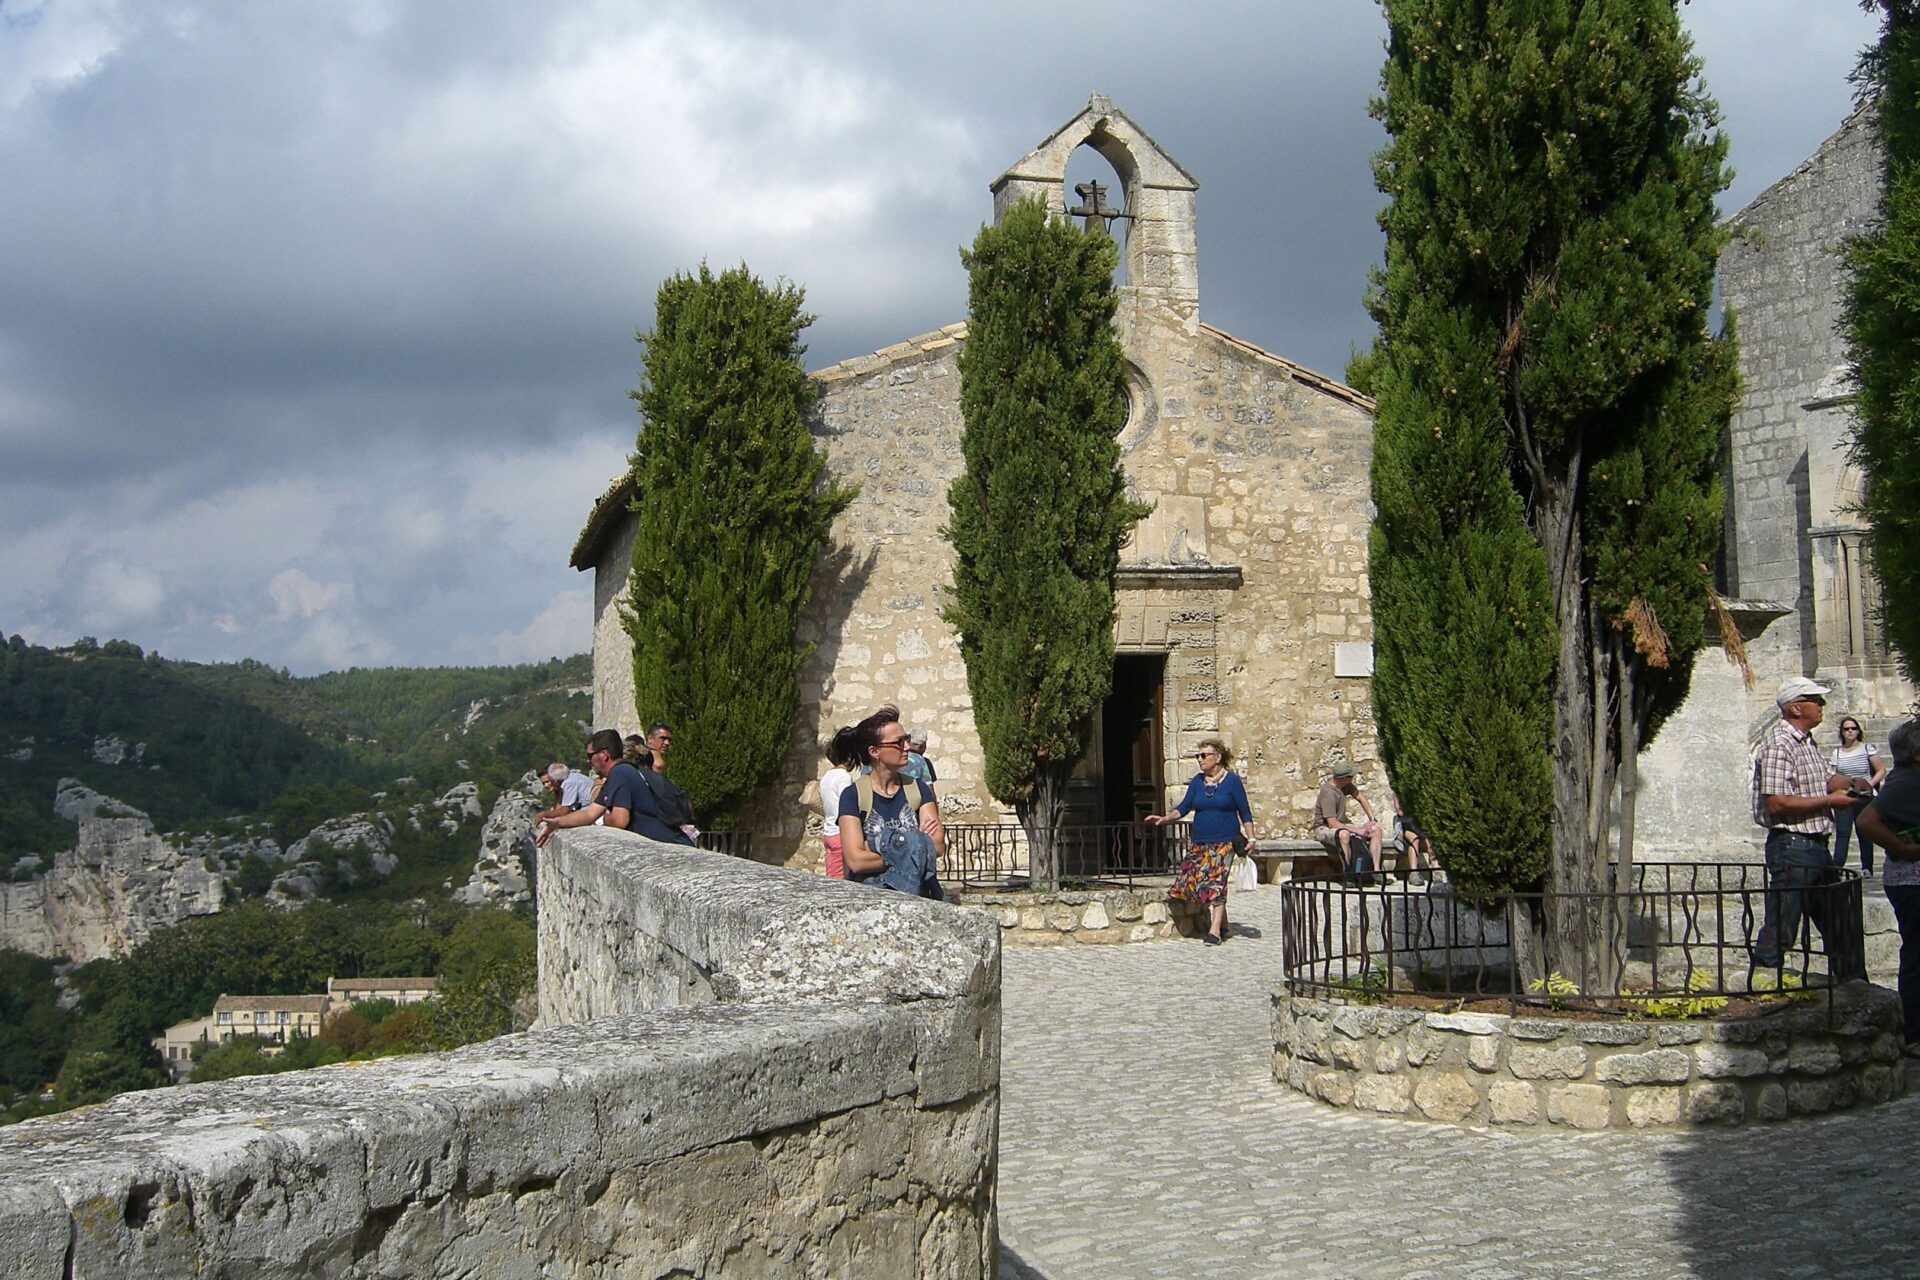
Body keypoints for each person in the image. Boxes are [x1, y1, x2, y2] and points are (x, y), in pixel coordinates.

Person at [1749, 676, 1865, 980]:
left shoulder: (1805, 742)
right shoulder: (1778, 745)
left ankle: (1852, 987)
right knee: (1783, 923)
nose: (1822, 705)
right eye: (1816, 699)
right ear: (1796, 707)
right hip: (1793, 846)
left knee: (1840, 922)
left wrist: (1854, 783)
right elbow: (1777, 803)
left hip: (1815, 845)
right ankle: (1763, 985)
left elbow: (1827, 777)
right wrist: (1829, 801)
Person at [1145, 738, 1253, 946]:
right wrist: (1165, 818)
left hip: (1225, 841)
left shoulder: (1232, 782)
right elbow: (1184, 806)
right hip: (1200, 841)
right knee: (1190, 882)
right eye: (1198, 756)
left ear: (1218, 757)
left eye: (1204, 755)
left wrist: (1252, 838)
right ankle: (1224, 923)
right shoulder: (1197, 781)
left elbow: (1245, 812)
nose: (1200, 760)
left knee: (1216, 883)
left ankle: (1214, 930)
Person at [1854, 719, 1920, 1056]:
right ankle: (1916, 1033)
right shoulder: (1906, 782)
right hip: (1912, 881)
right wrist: (1904, 848)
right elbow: (1865, 821)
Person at [837, 710, 946, 896]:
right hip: (872, 897)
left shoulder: (917, 789)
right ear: (874, 751)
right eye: (898, 742)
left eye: (906, 739)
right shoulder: (853, 795)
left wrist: (874, 847)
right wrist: (916, 843)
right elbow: (856, 860)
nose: (906, 747)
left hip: (918, 896)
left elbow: (938, 845)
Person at [536, 729, 692, 848]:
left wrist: (605, 819)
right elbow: (590, 813)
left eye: (590, 756)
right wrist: (557, 823)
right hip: (671, 842)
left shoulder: (620, 773)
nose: (588, 760)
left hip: (671, 845)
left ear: (604, 755)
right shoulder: (619, 774)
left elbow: (619, 820)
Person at [1831, 715, 1889, 874]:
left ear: (1858, 731)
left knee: (1864, 831)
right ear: (1842, 732)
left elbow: (1881, 769)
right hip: (1845, 796)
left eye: (1853, 728)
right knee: (1843, 833)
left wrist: (1868, 784)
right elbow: (1833, 776)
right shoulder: (1836, 753)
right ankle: (1837, 867)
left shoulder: (1866, 748)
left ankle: (1866, 867)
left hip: (1864, 796)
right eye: (1846, 729)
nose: (1850, 731)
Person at [1314, 761, 1383, 883]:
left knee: (1375, 831)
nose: (1353, 778)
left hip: (1341, 825)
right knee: (1344, 835)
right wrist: (1357, 830)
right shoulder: (1328, 794)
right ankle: (1348, 874)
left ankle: (1375, 872)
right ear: (1344, 778)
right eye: (1351, 776)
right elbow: (1332, 823)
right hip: (1323, 829)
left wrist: (1371, 820)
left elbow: (1360, 797)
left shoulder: (1345, 786)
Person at [818, 726, 860, 878]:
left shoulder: (826, 777)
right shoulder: (844, 777)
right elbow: (847, 806)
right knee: (840, 881)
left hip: (828, 833)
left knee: (832, 875)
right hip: (840, 834)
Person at [1391, 806, 1438, 884]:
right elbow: (1400, 812)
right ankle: (1414, 873)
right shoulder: (1398, 795)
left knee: (1429, 839)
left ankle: (1436, 871)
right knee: (1414, 839)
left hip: (1418, 824)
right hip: (1404, 825)